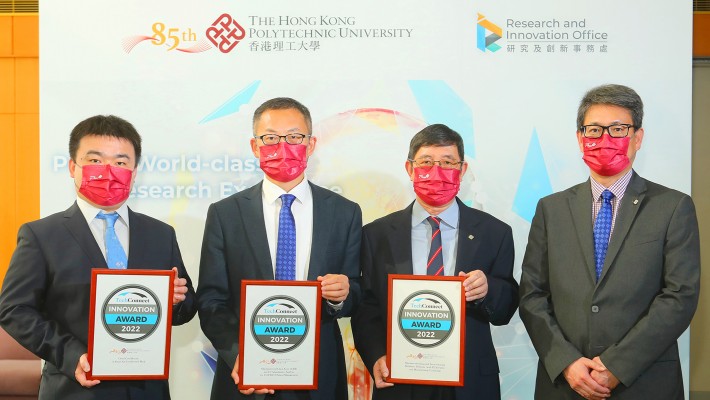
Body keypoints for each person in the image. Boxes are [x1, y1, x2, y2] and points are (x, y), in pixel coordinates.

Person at [519, 84, 700, 400]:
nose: (605, 140)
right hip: (565, 384)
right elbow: (533, 294)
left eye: (618, 129)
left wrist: (617, 365)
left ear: (637, 138)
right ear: (580, 138)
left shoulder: (673, 207)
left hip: (644, 383)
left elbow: (679, 297)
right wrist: (567, 362)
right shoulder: (551, 209)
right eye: (594, 130)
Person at [0, 115, 197, 400]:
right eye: (95, 161)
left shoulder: (160, 233)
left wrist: (178, 300)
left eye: (120, 162)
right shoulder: (41, 235)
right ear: (72, 167)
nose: (108, 171)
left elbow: (186, 308)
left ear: (134, 171)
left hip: (147, 391)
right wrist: (70, 354)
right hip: (73, 389)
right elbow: (14, 310)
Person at [196, 97, 362, 400]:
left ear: (310, 145)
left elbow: (357, 292)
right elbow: (211, 300)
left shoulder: (344, 212)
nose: (283, 146)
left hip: (319, 374)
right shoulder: (225, 214)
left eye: (295, 137)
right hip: (245, 377)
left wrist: (343, 296)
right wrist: (239, 356)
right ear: (254, 145)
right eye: (271, 138)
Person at [351, 123, 519, 400]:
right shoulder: (376, 234)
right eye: (426, 162)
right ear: (410, 168)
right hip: (401, 376)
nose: (437, 172)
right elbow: (367, 306)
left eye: (448, 162)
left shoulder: (495, 232)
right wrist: (376, 354)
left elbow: (507, 307)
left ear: (462, 170)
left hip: (470, 380)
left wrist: (487, 289)